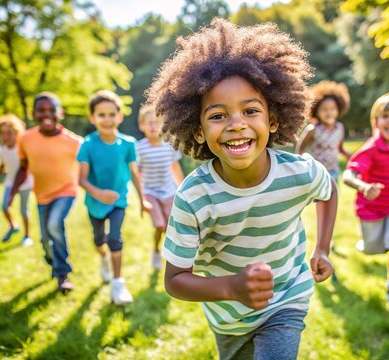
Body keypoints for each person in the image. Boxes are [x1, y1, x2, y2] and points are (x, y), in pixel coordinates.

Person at [146, 19, 338, 360]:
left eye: (251, 111)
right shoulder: (194, 197)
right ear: (198, 130)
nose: (237, 124)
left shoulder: (298, 172)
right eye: (218, 115)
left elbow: (328, 190)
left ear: (274, 120)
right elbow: (175, 279)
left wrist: (322, 247)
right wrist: (231, 288)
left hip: (286, 298)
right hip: (229, 318)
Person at [343, 91, 389, 309]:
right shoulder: (372, 149)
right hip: (371, 208)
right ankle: (366, 244)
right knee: (372, 249)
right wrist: (363, 186)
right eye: (385, 116)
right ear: (376, 122)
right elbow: (348, 174)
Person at [78, 90, 152, 305]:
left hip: (119, 201)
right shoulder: (87, 145)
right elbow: (81, 179)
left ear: (120, 116)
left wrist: (143, 199)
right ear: (92, 118)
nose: (107, 119)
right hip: (95, 203)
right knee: (99, 240)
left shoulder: (128, 144)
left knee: (115, 239)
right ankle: (104, 259)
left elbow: (134, 173)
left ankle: (118, 284)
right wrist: (98, 193)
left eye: (112, 114)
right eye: (101, 115)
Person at [10, 92, 82, 294]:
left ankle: (62, 274)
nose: (47, 114)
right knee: (44, 239)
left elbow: (88, 167)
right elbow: (23, 168)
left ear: (61, 113)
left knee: (54, 225)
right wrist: (11, 193)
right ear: (33, 113)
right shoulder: (25, 139)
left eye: (52, 110)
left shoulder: (74, 142)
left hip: (67, 191)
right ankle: (52, 258)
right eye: (41, 110)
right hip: (42, 195)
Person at [136, 105, 184, 271]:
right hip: (150, 192)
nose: (153, 126)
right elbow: (137, 174)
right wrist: (141, 197)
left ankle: (171, 255)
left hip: (169, 191)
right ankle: (156, 250)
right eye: (149, 123)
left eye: (157, 122)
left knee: (171, 226)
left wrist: (181, 187)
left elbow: (174, 166)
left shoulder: (168, 145)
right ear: (141, 126)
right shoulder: (139, 148)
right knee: (159, 225)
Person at [0, 114, 34, 246]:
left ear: (17, 132)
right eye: (2, 133)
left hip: (25, 183)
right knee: (4, 206)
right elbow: (3, 167)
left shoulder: (22, 147)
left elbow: (24, 170)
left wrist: (13, 193)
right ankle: (13, 226)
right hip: (10, 181)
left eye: (9, 133)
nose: (6, 136)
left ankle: (27, 236)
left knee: (24, 210)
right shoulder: (1, 149)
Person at [296, 80, 351, 183]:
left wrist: (352, 158)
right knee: (319, 198)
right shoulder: (313, 129)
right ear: (317, 111)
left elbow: (340, 148)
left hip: (334, 170)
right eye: (324, 109)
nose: (329, 112)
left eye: (332, 109)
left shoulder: (340, 128)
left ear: (338, 109)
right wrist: (303, 164)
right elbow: (301, 147)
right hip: (317, 172)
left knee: (333, 196)